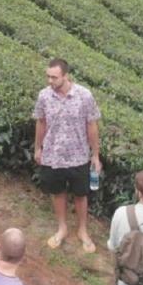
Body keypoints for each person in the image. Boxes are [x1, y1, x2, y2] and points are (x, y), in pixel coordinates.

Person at [32, 58, 101, 253]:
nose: (50, 81)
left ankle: (82, 230)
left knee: (81, 194)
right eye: (48, 76)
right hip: (53, 156)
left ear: (65, 76)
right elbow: (41, 122)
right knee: (58, 192)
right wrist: (38, 148)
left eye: (54, 77)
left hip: (78, 155)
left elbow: (92, 125)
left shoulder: (84, 96)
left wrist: (95, 155)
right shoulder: (44, 96)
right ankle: (62, 227)